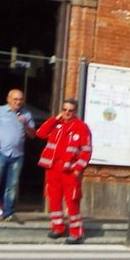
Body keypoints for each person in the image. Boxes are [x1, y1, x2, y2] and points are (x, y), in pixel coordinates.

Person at [36, 97, 92, 243]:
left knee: (72, 201)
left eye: (70, 110)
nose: (67, 113)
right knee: (53, 200)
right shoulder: (56, 124)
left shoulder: (81, 127)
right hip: (52, 169)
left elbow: (86, 151)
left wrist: (78, 169)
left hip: (69, 171)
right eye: (64, 110)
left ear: (75, 112)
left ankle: (76, 232)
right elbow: (40, 133)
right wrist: (55, 119)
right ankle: (58, 228)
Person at [0, 88, 36, 224]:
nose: (18, 102)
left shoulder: (26, 114)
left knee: (11, 186)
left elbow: (33, 135)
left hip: (17, 155)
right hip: (0, 153)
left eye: (20, 99)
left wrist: (26, 123)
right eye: (15, 99)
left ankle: (8, 213)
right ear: (8, 99)